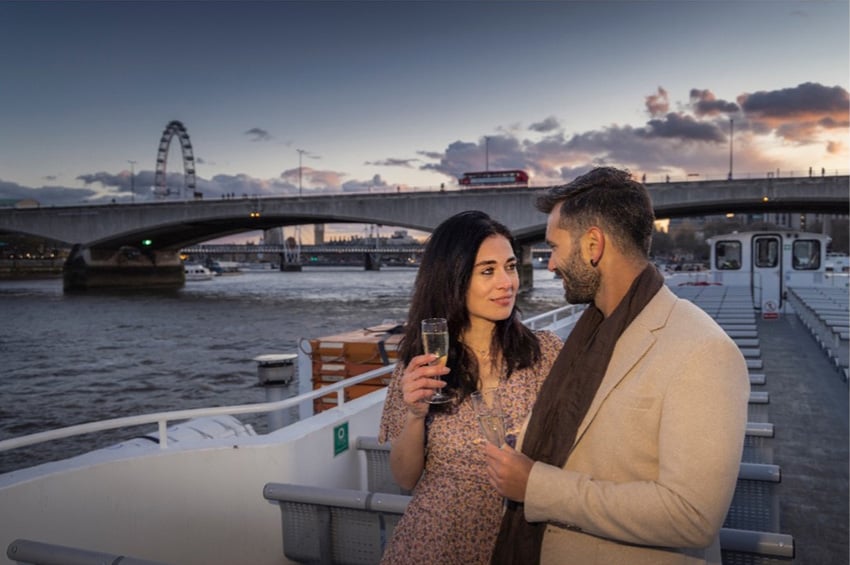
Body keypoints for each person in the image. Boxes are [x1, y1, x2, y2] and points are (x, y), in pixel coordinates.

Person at [484, 167, 750, 565]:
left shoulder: (703, 350)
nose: (551, 265)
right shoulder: (588, 333)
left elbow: (692, 516)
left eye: (554, 247)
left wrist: (537, 486)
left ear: (593, 245)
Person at [378, 210, 562, 565]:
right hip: (432, 543)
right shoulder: (420, 366)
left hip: (518, 539)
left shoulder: (546, 353)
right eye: (488, 271)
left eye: (510, 267)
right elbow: (404, 478)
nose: (507, 282)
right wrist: (416, 415)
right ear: (453, 279)